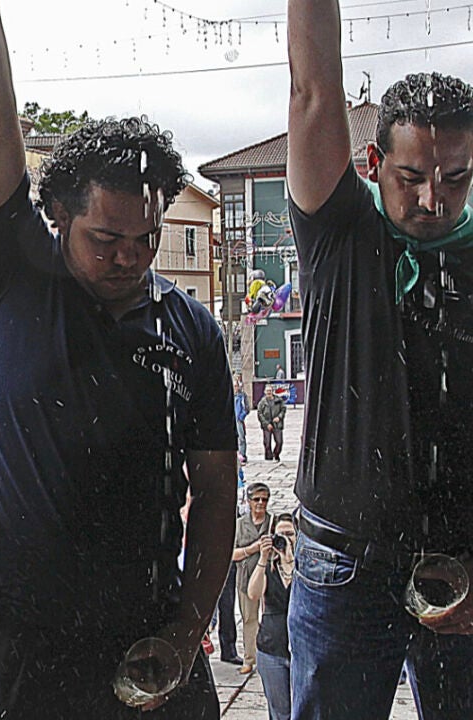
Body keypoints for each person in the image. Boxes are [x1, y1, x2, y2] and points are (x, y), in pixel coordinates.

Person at [0, 2, 238, 715]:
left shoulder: (193, 332)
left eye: (147, 238)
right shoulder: (16, 275)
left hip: (149, 626)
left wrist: (187, 632)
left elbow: (215, 492)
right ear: (58, 216)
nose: (129, 258)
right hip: (29, 633)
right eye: (105, 239)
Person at [287, 1, 473, 717]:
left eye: (455, 179)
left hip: (462, 566)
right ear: (372, 163)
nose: (433, 199)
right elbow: (312, 90)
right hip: (344, 563)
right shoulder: (340, 229)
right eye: (412, 176)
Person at [247, 513, 296, 720]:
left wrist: (290, 558)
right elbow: (253, 593)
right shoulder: (267, 567)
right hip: (272, 647)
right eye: (280, 534)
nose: (285, 539)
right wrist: (263, 558)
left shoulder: (305, 566)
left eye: (290, 534)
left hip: (301, 649)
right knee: (280, 712)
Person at [231, 483, 274, 675]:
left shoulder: (273, 522)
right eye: (256, 499)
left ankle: (270, 656)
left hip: (270, 576)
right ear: (248, 501)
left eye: (264, 499)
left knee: (271, 616)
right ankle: (250, 658)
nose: (260, 503)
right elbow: (231, 554)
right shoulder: (240, 525)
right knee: (249, 618)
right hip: (246, 577)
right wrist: (253, 548)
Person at [256, 385, 286, 462]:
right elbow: (260, 414)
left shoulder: (279, 400)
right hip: (267, 425)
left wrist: (279, 417)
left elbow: (283, 410)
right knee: (267, 443)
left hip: (277, 424)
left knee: (279, 442)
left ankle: (276, 454)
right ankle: (268, 457)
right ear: (264, 392)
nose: (269, 392)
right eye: (267, 391)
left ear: (272, 391)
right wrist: (266, 424)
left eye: (270, 390)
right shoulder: (262, 402)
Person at [234, 374, 251, 465]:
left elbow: (247, 408)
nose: (235, 388)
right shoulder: (230, 395)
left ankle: (242, 455)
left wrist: (241, 417)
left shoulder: (242, 396)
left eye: (236, 386)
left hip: (239, 420)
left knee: (241, 438)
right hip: (232, 420)